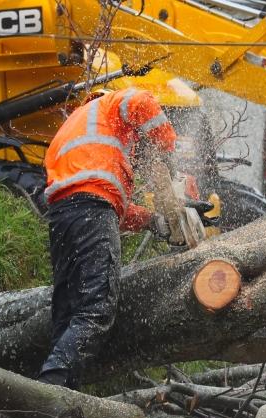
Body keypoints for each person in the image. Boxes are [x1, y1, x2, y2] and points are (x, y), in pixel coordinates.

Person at [38, 88, 177, 388]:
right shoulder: (111, 104)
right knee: (96, 308)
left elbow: (109, 207)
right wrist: (167, 149)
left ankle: (58, 393)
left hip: (64, 216)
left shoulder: (80, 131)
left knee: (68, 311)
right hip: (91, 211)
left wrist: (154, 221)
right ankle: (51, 387)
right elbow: (141, 100)